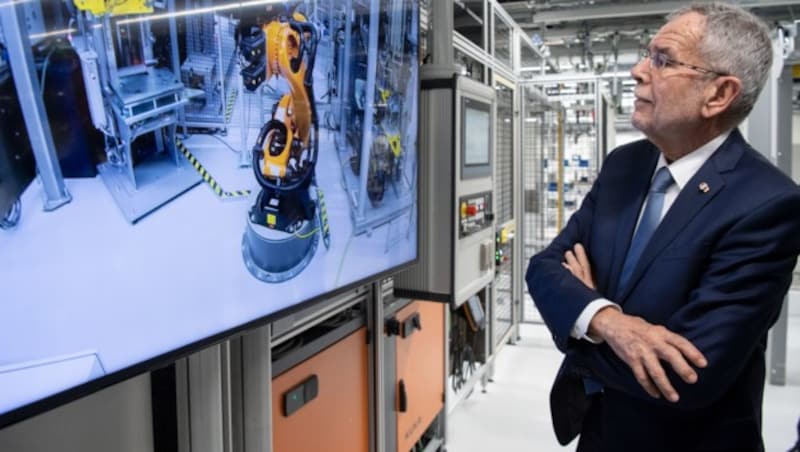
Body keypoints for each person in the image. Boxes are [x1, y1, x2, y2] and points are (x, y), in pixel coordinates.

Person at [525, 3, 800, 452]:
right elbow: (544, 267)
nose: (637, 70)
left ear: (718, 94)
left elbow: (687, 374)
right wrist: (609, 321)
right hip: (598, 432)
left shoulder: (767, 204)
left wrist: (578, 315)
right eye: (645, 53)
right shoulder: (625, 165)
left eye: (663, 59)